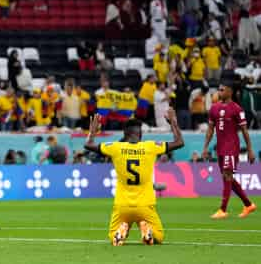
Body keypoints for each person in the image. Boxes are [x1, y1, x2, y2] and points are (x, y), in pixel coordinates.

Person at [84, 108, 184, 246]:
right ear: (140, 133)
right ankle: (148, 232)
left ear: (125, 133)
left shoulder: (115, 147)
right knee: (159, 236)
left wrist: (92, 132)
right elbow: (179, 142)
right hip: (145, 205)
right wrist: (173, 122)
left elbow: (88, 145)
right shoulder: (151, 147)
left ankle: (121, 231)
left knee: (112, 235)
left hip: (122, 205)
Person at [202, 81, 257, 219]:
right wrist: (205, 147)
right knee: (228, 178)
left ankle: (223, 210)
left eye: (222, 90)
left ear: (230, 92)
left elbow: (244, 131)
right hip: (220, 148)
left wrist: (250, 150)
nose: (219, 92)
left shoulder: (237, 109)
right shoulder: (214, 108)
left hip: (231, 147)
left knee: (227, 175)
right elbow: (210, 130)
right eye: (219, 90)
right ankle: (249, 204)